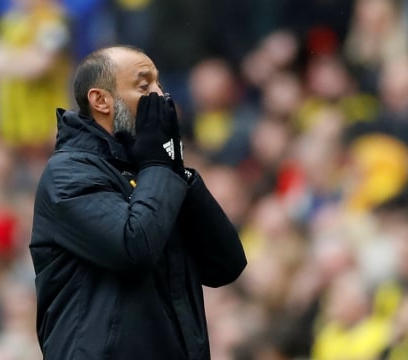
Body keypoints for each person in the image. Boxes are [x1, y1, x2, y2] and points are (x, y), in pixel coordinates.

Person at [29, 45, 247, 359]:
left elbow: (226, 265)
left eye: (159, 83)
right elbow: (134, 247)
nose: (160, 96)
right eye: (144, 86)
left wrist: (175, 168)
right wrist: (159, 165)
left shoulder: (153, 171)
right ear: (100, 100)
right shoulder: (68, 172)